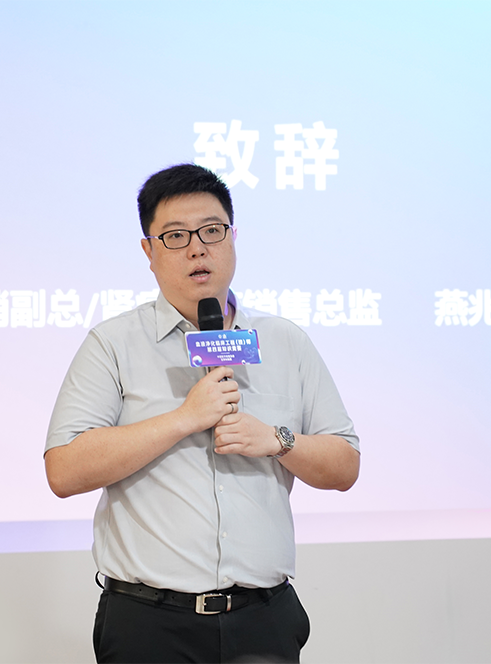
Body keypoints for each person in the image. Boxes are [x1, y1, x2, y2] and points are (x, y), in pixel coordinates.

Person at [44, 164, 360, 664]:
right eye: (176, 236)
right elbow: (63, 470)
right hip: (150, 624)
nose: (197, 248)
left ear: (233, 238)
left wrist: (278, 440)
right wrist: (184, 419)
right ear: (148, 252)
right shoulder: (113, 344)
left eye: (212, 231)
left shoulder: (284, 341)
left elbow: (344, 465)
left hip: (262, 619)